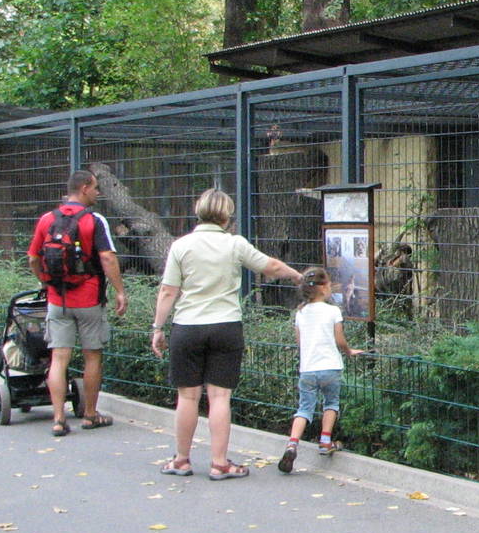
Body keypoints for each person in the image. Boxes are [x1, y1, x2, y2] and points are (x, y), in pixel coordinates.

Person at [149, 188, 301, 480]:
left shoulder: (181, 246)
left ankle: (181, 460)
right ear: (227, 215)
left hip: (187, 327)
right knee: (219, 397)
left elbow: (169, 290)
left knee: (188, 397)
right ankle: (219, 462)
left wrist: (158, 327)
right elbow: (270, 266)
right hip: (226, 327)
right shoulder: (235, 244)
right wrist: (295, 274)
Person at [27, 169, 128, 436]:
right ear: (84, 188)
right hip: (88, 299)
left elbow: (33, 259)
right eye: (95, 187)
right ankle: (89, 415)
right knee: (92, 355)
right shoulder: (94, 220)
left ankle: (59, 419)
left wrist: (46, 282)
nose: (98, 192)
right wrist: (120, 291)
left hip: (57, 299)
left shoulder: (47, 219)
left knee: (59, 358)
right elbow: (107, 257)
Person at [276, 267, 363, 474]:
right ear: (323, 288)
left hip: (308, 368)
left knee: (304, 408)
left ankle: (292, 444)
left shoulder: (301, 312)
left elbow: (300, 341)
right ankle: (325, 441)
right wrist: (349, 351)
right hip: (330, 366)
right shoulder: (333, 311)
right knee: (331, 403)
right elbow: (339, 339)